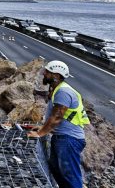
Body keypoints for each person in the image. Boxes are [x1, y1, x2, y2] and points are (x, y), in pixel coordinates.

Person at [28, 60, 90, 188]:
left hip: (69, 139)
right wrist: (44, 128)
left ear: (56, 75)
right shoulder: (57, 90)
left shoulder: (63, 92)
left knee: (70, 174)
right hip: (62, 137)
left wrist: (40, 133)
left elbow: (57, 117)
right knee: (55, 167)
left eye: (48, 72)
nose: (44, 73)